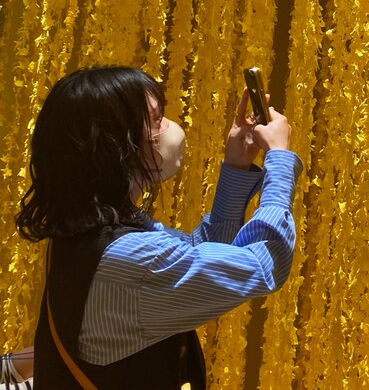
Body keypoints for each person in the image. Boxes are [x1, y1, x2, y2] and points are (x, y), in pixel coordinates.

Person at [13, 66, 303, 389]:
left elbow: (195, 252)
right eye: (156, 119)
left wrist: (237, 164)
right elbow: (264, 264)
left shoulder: (87, 232)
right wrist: (279, 158)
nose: (169, 128)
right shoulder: (131, 257)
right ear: (116, 144)